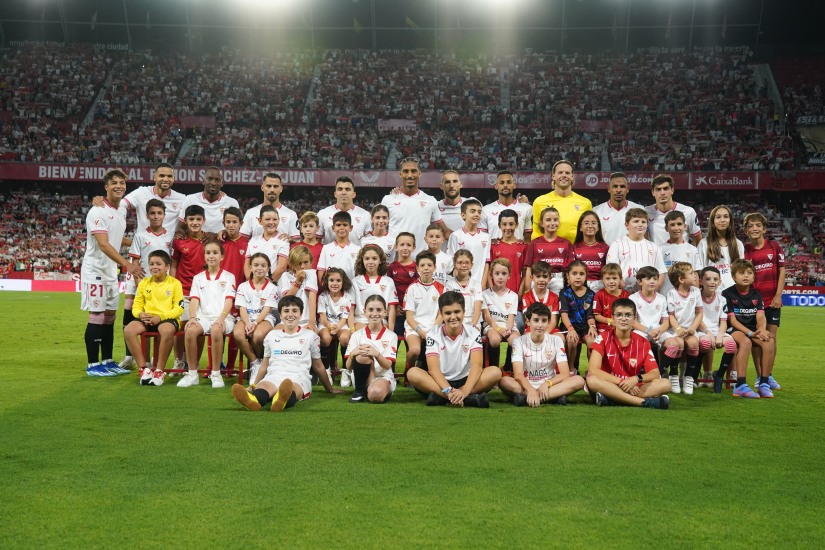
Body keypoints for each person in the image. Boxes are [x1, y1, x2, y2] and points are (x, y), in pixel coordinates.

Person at [231, 296, 344, 412]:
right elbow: (265, 364)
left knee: (292, 389)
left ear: (301, 314)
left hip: (298, 378)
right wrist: (254, 385)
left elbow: (318, 365)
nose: (290, 314)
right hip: (274, 375)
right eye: (286, 311)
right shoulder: (271, 336)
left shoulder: (310, 336)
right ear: (280, 315)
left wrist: (329, 389)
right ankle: (252, 400)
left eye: (295, 311)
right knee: (263, 387)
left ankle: (280, 400)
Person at [82, 169, 144, 377]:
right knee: (97, 315)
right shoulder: (97, 211)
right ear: (106, 187)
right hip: (96, 270)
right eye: (114, 183)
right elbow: (105, 245)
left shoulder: (121, 210)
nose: (119, 186)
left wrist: (141, 244)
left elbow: (118, 241)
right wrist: (129, 264)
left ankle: (107, 360)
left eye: (122, 183)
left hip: (110, 271)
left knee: (110, 316)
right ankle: (93, 364)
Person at [407, 291, 502, 407]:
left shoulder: (473, 332)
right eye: (448, 313)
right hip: (440, 381)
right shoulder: (433, 333)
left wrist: (465, 390)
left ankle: (445, 398)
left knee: (495, 372)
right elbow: (433, 368)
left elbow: (477, 366)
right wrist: (448, 390)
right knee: (412, 373)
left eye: (457, 312)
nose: (453, 317)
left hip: (466, 379)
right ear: (441, 315)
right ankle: (466, 399)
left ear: (464, 312)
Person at [585, 298, 672, 408]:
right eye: (619, 315)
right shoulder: (602, 338)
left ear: (634, 319)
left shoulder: (643, 342)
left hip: (632, 385)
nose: (623, 319)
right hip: (610, 383)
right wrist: (622, 382)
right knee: (592, 380)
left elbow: (654, 373)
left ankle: (612, 399)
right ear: (613, 318)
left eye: (628, 315)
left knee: (666, 384)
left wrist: (636, 379)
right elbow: (593, 370)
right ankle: (642, 403)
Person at [120, 199, 172, 370]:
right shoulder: (140, 236)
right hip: (144, 287)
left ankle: (156, 363)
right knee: (146, 322)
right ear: (147, 215)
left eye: (159, 213)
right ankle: (146, 363)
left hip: (164, 288)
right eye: (152, 213)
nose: (156, 216)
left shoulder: (170, 235)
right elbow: (135, 264)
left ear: (164, 215)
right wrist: (142, 288)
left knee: (159, 324)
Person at [500, 302, 585, 406]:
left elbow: (565, 373)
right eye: (536, 320)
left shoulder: (556, 340)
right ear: (528, 321)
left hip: (549, 386)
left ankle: (526, 398)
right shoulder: (519, 341)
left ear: (549, 323)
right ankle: (551, 397)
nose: (540, 325)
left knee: (579, 380)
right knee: (504, 381)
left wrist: (547, 384)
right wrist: (531, 390)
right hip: (526, 385)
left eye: (544, 321)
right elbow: (518, 375)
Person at [179, 241, 237, 388]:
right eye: (208, 253)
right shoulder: (198, 278)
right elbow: (194, 301)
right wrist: (192, 318)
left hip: (224, 318)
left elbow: (229, 301)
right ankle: (192, 373)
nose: (211, 256)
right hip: (203, 318)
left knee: (217, 329)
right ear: (204, 256)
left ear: (222, 256)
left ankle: (216, 374)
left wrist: (222, 317)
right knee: (190, 330)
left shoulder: (229, 276)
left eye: (215, 253)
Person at [718, 259, 777, 399]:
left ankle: (763, 383)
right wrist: (750, 333)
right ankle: (741, 385)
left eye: (749, 273)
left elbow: (760, 316)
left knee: (769, 341)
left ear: (754, 277)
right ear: (733, 277)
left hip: (753, 330)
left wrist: (762, 329)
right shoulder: (727, 294)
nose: (746, 276)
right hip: (733, 329)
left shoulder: (756, 295)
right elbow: (732, 320)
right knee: (746, 342)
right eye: (742, 273)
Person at [126, 250, 184, 387]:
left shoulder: (175, 284)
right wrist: (140, 315)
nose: (154, 267)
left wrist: (161, 317)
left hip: (167, 318)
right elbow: (136, 307)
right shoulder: (144, 283)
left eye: (159, 263)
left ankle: (159, 370)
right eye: (151, 264)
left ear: (167, 267)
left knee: (166, 330)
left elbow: (179, 309)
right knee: (129, 330)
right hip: (148, 318)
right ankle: (144, 369)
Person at [743, 212, 785, 391]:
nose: (754, 229)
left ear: (764, 228)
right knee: (757, 339)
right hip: (753, 304)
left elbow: (782, 272)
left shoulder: (775, 246)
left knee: (772, 338)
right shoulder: (744, 250)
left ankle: (769, 374)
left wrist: (778, 295)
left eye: (758, 225)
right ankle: (760, 376)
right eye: (751, 226)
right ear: (746, 230)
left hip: (772, 301)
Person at [382, 158, 450, 257]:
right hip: (395, 261)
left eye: (413, 171)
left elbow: (444, 231)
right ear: (400, 174)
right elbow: (379, 231)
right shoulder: (388, 200)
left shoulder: (430, 201)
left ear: (419, 173)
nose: (410, 175)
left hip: (421, 263)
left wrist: (467, 236)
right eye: (406, 171)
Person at [664, 262, 711, 395]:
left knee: (694, 342)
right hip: (675, 330)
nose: (695, 276)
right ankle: (674, 376)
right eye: (691, 273)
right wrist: (678, 329)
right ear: (681, 279)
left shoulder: (696, 292)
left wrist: (693, 327)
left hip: (691, 329)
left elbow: (699, 313)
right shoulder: (672, 293)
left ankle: (688, 377)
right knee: (678, 343)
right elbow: (671, 316)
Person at [232, 252, 279, 384]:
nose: (259, 268)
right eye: (256, 265)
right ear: (250, 267)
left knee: (257, 336)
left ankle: (260, 368)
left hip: (265, 319)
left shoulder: (272, 288)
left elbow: (266, 309)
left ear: (268, 268)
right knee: (238, 333)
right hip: (246, 318)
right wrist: (247, 322)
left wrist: (255, 323)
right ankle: (255, 364)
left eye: (263, 265)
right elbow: (242, 308)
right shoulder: (243, 286)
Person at [170, 205, 207, 371]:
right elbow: (174, 264)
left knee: (199, 328)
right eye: (191, 219)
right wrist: (171, 285)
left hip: (203, 292)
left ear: (204, 221)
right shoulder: (178, 241)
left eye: (198, 219)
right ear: (185, 221)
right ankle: (179, 361)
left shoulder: (209, 241)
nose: (195, 222)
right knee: (180, 326)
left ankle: (195, 362)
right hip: (183, 290)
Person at [345, 295, 400, 404]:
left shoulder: (391, 336)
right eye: (370, 310)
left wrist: (376, 354)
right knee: (362, 355)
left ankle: (374, 391)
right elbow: (348, 367)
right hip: (361, 379)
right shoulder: (356, 335)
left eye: (379, 310)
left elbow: (387, 366)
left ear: (385, 312)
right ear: (364, 311)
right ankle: (359, 391)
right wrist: (353, 354)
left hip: (383, 376)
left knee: (375, 395)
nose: (374, 314)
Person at [697, 266, 738, 392]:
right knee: (705, 344)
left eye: (715, 279)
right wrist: (708, 333)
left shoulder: (722, 299)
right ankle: (702, 373)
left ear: (720, 282)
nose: (712, 282)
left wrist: (720, 335)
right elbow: (697, 320)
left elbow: (723, 321)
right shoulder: (696, 297)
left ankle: (719, 375)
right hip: (700, 330)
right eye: (708, 279)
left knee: (732, 346)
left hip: (717, 330)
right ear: (700, 281)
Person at [531, 160, 592, 244]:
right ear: (553, 176)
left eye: (567, 173)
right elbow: (536, 232)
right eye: (560, 173)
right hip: (549, 252)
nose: (564, 175)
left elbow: (589, 231)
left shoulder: (585, 203)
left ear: (572, 176)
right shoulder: (539, 201)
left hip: (576, 252)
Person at [403, 251, 445, 373]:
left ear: (435, 267)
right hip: (415, 327)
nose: (426, 268)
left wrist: (431, 331)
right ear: (417, 268)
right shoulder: (412, 288)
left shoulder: (441, 288)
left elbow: (441, 314)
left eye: (429, 265)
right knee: (415, 351)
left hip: (434, 327)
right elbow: (409, 318)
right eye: (422, 265)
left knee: (440, 352)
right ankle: (409, 368)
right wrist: (422, 332)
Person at [606, 207, 666, 292]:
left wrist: (653, 291)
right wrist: (625, 289)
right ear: (626, 225)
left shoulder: (654, 247)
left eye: (643, 222)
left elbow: (661, 272)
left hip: (648, 295)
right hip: (623, 293)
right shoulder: (617, 244)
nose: (640, 224)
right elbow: (612, 270)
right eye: (636, 221)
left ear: (647, 225)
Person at [558, 260, 598, 374]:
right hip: (569, 325)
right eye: (574, 274)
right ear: (567, 276)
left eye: (581, 274)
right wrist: (570, 329)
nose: (578, 277)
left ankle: (591, 371)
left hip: (584, 326)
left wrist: (592, 326)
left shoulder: (590, 294)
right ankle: (571, 369)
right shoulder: (564, 293)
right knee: (571, 340)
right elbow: (564, 314)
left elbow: (590, 315)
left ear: (586, 276)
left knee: (593, 341)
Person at [317, 267, 356, 383]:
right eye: (331, 280)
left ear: (343, 282)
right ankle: (326, 369)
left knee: (345, 338)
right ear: (326, 282)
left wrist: (337, 328)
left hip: (340, 325)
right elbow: (323, 318)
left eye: (338, 280)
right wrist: (329, 327)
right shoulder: (323, 297)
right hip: (326, 324)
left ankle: (345, 370)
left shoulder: (347, 297)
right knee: (325, 338)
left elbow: (344, 318)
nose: (335, 283)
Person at [524, 206, 574, 294]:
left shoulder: (566, 243)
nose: (552, 223)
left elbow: (570, 269)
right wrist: (527, 290)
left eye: (555, 220)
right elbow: (529, 268)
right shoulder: (534, 243)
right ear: (541, 223)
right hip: (538, 280)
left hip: (559, 282)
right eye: (548, 220)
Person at [482, 259, 520, 370]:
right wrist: (499, 330)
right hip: (492, 326)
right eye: (497, 273)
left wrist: (508, 328)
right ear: (491, 275)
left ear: (509, 276)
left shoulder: (513, 296)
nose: (500, 277)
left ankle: (507, 369)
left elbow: (511, 317)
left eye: (504, 274)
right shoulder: (485, 294)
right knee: (494, 340)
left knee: (515, 341)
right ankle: (493, 371)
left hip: (508, 325)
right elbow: (487, 317)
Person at [178, 167, 240, 234]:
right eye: (210, 179)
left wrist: (216, 235)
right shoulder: (190, 199)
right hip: (196, 242)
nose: (213, 183)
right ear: (203, 181)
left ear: (222, 183)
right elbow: (181, 228)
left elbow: (236, 230)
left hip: (222, 243)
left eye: (217, 180)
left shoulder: (232, 203)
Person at [240, 173, 300, 241]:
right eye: (268, 186)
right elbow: (243, 239)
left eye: (276, 186)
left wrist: (291, 240)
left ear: (281, 189)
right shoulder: (251, 213)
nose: (272, 190)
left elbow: (297, 242)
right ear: (262, 187)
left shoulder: (291, 214)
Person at [696, 205, 744, 291]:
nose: (722, 220)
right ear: (712, 221)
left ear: (730, 220)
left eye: (726, 217)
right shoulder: (703, 244)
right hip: (712, 293)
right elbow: (700, 271)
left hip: (734, 293)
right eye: (718, 217)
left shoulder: (738, 244)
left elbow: (741, 271)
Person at [352, 244, 399, 331]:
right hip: (360, 320)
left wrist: (390, 331)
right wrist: (351, 329)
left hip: (381, 320)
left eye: (374, 258)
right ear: (362, 260)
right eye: (367, 258)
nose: (370, 262)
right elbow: (351, 308)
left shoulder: (388, 281)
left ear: (380, 260)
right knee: (365, 336)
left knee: (380, 337)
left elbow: (391, 309)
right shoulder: (355, 281)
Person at [645, 174, 701, 246]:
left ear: (672, 190)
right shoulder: (646, 212)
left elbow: (699, 241)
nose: (662, 193)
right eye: (658, 189)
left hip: (681, 256)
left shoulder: (688, 212)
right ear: (653, 193)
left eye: (666, 189)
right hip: (656, 256)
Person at [446, 198, 490, 287]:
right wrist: (459, 285)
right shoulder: (455, 236)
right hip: (459, 285)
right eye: (472, 211)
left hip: (478, 285)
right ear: (463, 215)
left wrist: (482, 286)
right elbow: (452, 263)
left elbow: (486, 264)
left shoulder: (486, 237)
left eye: (479, 212)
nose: (476, 214)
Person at [317, 176, 371, 246]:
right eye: (340, 189)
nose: (343, 192)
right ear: (335, 194)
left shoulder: (365, 215)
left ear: (354, 194)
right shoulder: (322, 214)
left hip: (357, 256)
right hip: (331, 256)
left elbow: (369, 244)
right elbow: (316, 242)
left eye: (347, 189)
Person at [592, 172, 643, 245]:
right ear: (609, 189)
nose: (618, 190)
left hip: (632, 255)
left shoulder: (639, 209)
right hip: (606, 255)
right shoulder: (596, 211)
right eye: (615, 186)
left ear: (627, 189)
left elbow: (644, 238)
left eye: (622, 186)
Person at [481, 170, 533, 241]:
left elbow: (528, 240)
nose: (505, 185)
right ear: (496, 186)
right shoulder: (486, 210)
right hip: (494, 252)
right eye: (502, 183)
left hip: (518, 252)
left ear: (514, 185)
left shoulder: (527, 209)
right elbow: (482, 239)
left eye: (509, 182)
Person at [660, 210, 702, 296]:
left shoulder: (692, 249)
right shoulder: (660, 250)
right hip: (666, 295)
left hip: (688, 297)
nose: (676, 228)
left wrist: (697, 296)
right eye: (672, 225)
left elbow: (695, 274)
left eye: (679, 224)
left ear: (685, 226)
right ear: (666, 228)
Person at [243, 205, 289, 284]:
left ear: (278, 221)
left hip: (274, 285)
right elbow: (247, 265)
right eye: (267, 219)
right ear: (260, 221)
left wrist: (267, 284)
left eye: (274, 219)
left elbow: (282, 267)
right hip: (254, 284)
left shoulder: (283, 240)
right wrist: (250, 281)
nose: (271, 222)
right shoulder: (253, 241)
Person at [489, 209, 527, 300]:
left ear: (517, 225)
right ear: (499, 225)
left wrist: (520, 293)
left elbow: (525, 274)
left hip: (515, 294)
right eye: (504, 224)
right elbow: (488, 273)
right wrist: (491, 293)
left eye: (511, 224)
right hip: (495, 296)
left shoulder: (523, 247)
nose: (508, 228)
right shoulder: (493, 246)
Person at [629, 266, 669, 352]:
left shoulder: (661, 298)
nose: (652, 281)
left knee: (674, 344)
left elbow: (665, 322)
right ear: (639, 282)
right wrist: (648, 331)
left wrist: (660, 331)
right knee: (639, 343)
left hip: (657, 330)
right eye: (648, 279)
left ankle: (662, 366)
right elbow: (633, 322)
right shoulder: (633, 298)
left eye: (655, 279)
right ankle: (644, 365)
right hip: (640, 330)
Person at [279, 246, 318, 333]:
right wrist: (297, 282)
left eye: (306, 262)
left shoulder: (312, 274)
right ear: (292, 263)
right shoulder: (286, 276)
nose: (303, 266)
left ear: (311, 262)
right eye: (299, 263)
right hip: (288, 319)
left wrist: (311, 322)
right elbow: (286, 300)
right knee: (272, 335)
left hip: (306, 320)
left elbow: (312, 300)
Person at [388, 233, 418, 337]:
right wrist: (395, 306)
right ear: (396, 247)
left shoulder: (417, 268)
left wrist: (411, 307)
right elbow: (389, 290)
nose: (405, 248)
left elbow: (418, 290)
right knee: (394, 340)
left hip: (412, 311)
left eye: (409, 245)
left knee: (411, 341)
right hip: (396, 311)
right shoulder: (391, 267)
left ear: (414, 248)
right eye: (402, 245)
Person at [316, 211, 360, 283]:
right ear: (333, 228)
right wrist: (326, 287)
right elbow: (321, 272)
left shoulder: (357, 249)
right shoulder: (326, 248)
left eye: (345, 225)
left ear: (350, 227)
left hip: (350, 291)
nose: (342, 228)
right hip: (331, 291)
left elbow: (358, 274)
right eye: (338, 225)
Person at [445, 249, 484, 329]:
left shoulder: (476, 285)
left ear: (471, 265)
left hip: (473, 322)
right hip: (455, 321)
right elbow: (450, 307)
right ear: (454, 264)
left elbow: (478, 309)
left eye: (467, 262)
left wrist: (472, 325)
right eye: (460, 262)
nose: (464, 265)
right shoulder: (450, 284)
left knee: (472, 336)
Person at [572, 211, 610, 292]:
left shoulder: (606, 248)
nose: (590, 226)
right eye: (586, 223)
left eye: (593, 223)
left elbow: (610, 270)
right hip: (580, 286)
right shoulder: (574, 248)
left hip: (601, 287)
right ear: (580, 228)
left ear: (598, 227)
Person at [521, 261, 559, 333]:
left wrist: (545, 333)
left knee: (560, 338)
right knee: (528, 337)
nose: (541, 280)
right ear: (532, 278)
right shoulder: (526, 296)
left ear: (550, 278)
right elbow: (529, 318)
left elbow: (553, 321)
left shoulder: (554, 297)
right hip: (532, 328)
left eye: (545, 277)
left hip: (549, 328)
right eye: (538, 276)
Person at [592, 263, 629, 332]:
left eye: (614, 278)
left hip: (622, 327)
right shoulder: (599, 295)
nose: (611, 281)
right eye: (608, 279)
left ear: (620, 279)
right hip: (604, 328)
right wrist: (610, 321)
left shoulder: (625, 295)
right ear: (602, 280)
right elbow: (597, 316)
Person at [220, 207, 248, 290]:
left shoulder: (247, 245)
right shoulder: (218, 243)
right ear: (223, 223)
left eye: (235, 222)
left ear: (241, 223)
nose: (231, 225)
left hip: (239, 290)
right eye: (228, 222)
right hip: (220, 288)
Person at [436, 169, 467, 234]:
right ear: (441, 186)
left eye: (455, 181)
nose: (451, 186)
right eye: (447, 182)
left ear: (461, 184)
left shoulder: (471, 204)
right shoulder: (436, 207)